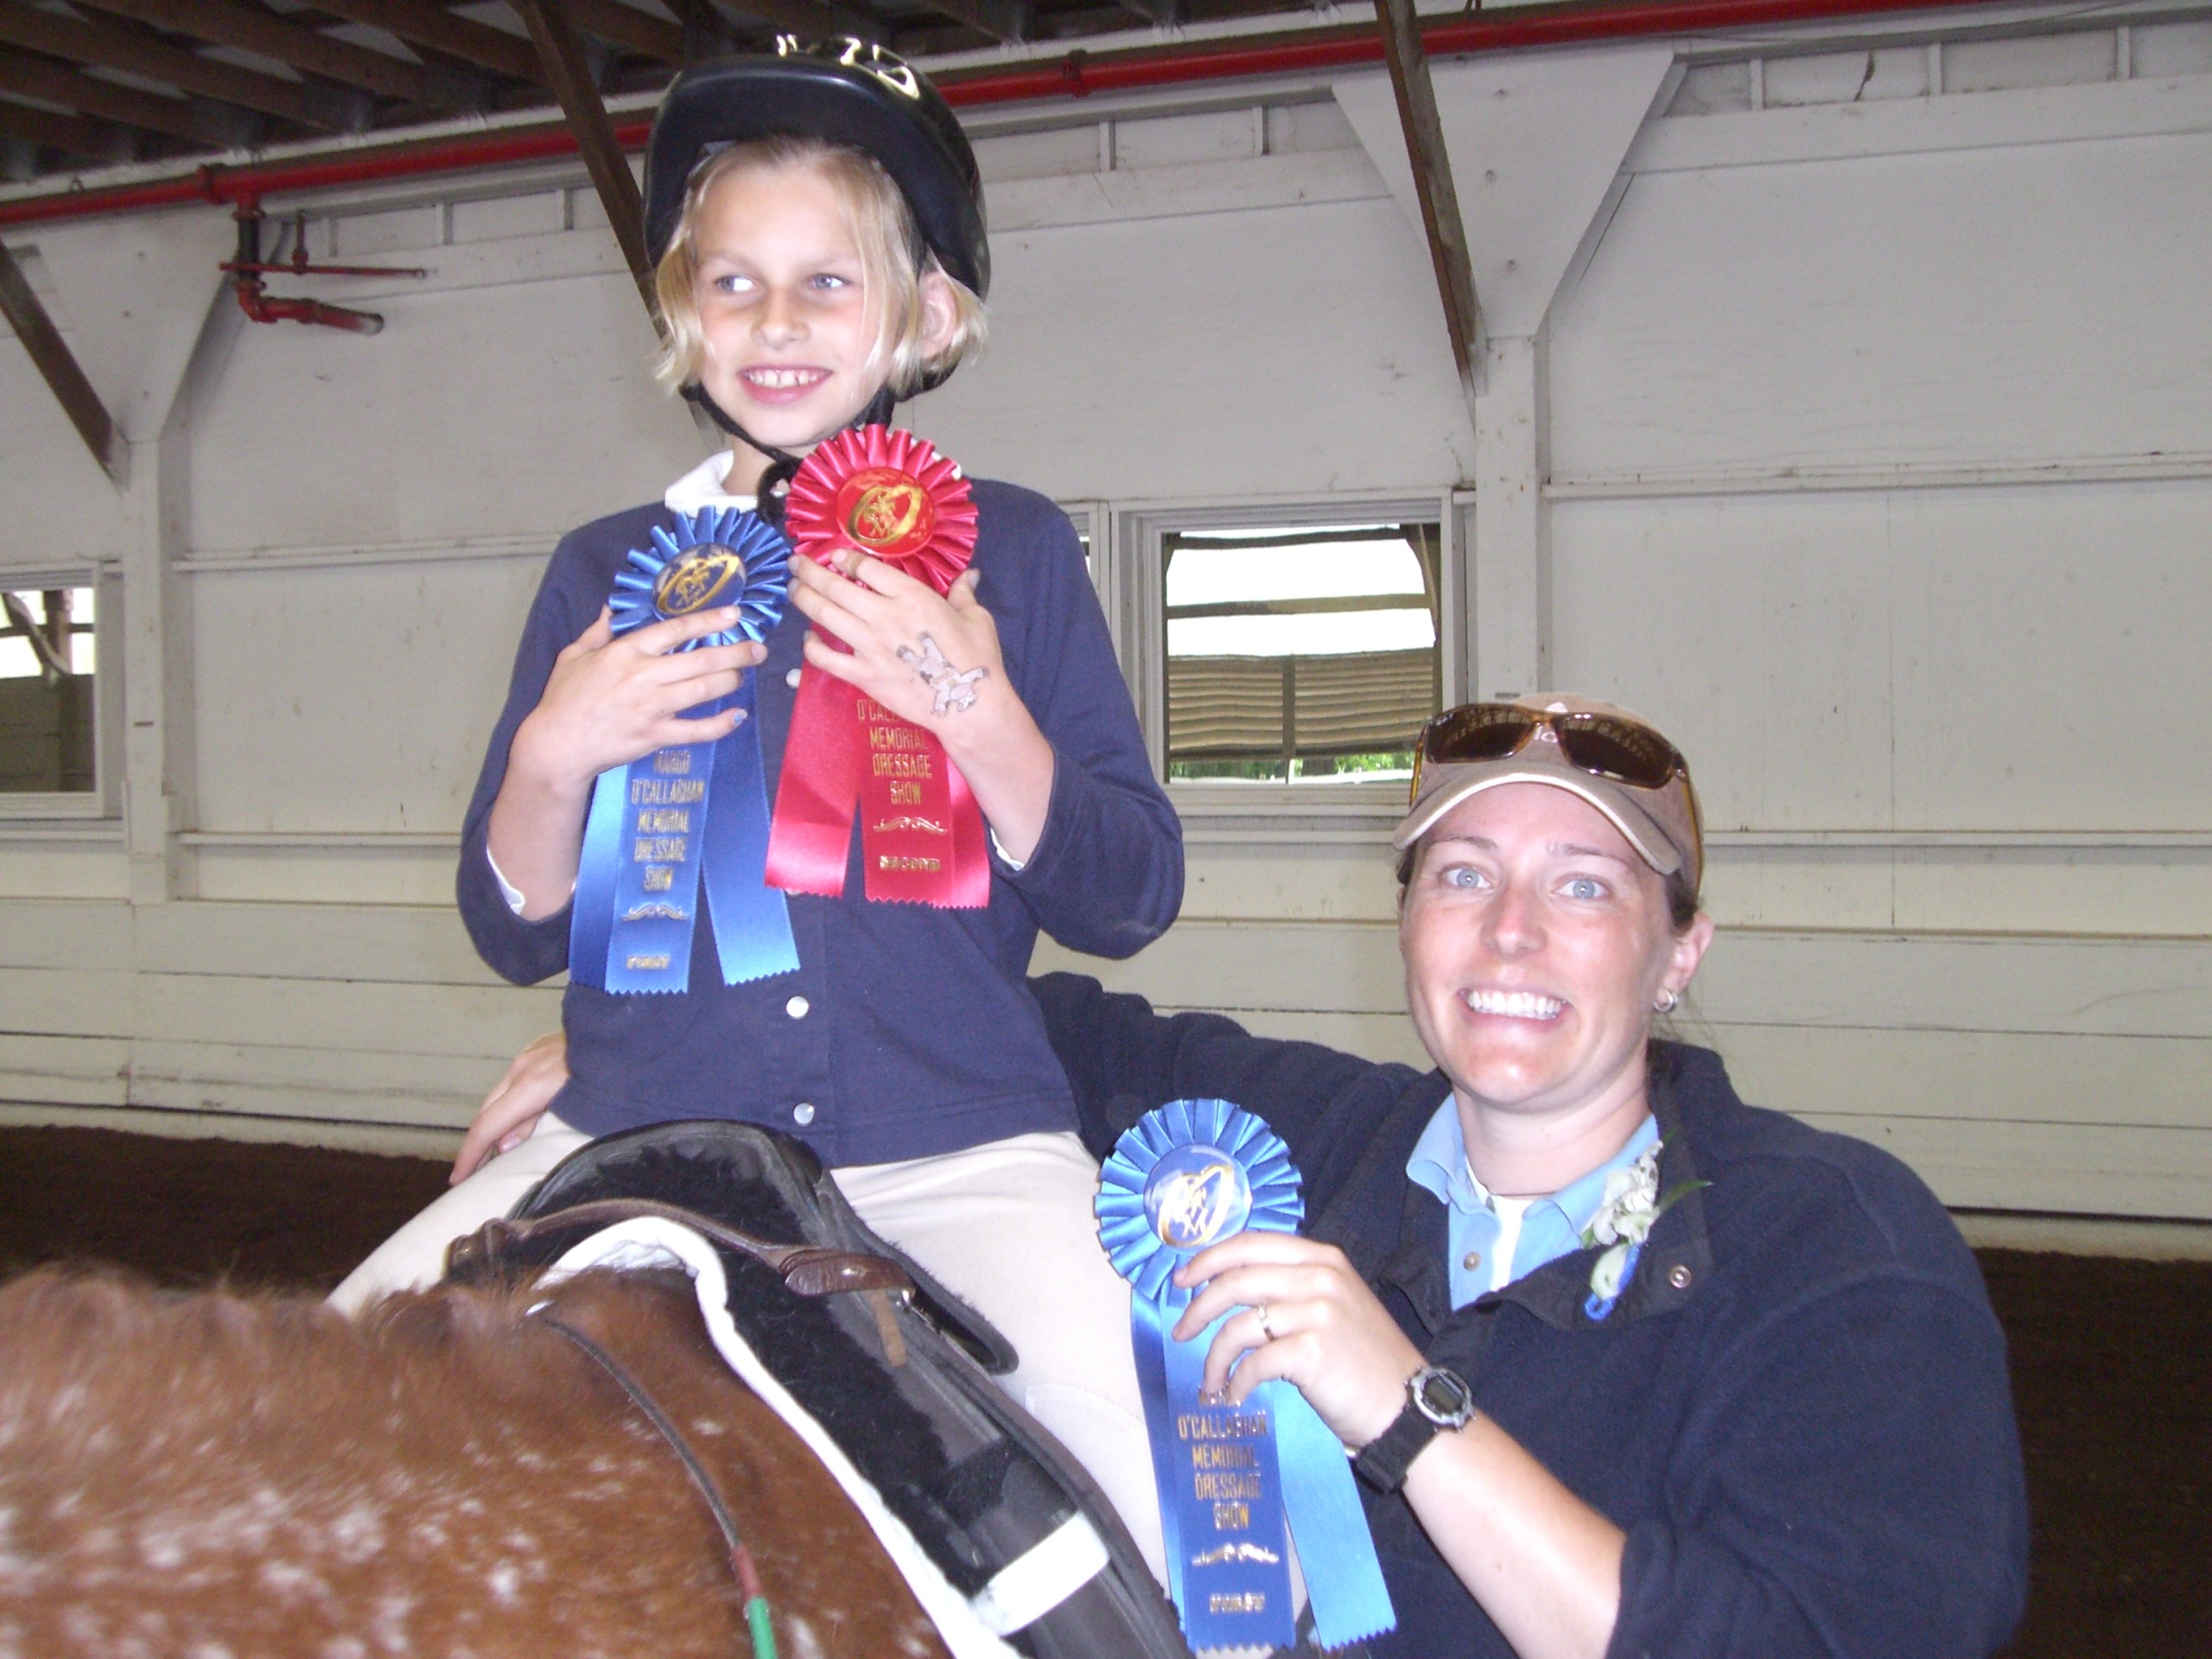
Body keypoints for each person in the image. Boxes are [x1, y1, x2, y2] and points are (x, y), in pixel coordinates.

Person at [330, 41, 1182, 1576]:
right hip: (624, 1137)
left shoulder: (1015, 550)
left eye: (827, 283)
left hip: (960, 1152)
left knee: (1160, 1491)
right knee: (319, 1418)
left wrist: (976, 712)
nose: (775, 324)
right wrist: (552, 758)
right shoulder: (604, 570)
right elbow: (511, 932)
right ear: (684, 316)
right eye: (733, 284)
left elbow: (1128, 896)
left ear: (925, 316)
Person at [1030, 696, 2030, 1658]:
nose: (1511, 928)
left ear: (1679, 954)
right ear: (1405, 923)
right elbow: (1017, 1025)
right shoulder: (1307, 1134)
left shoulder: (1839, 1253)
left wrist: (1410, 1415)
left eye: (1583, 885)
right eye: (1464, 875)